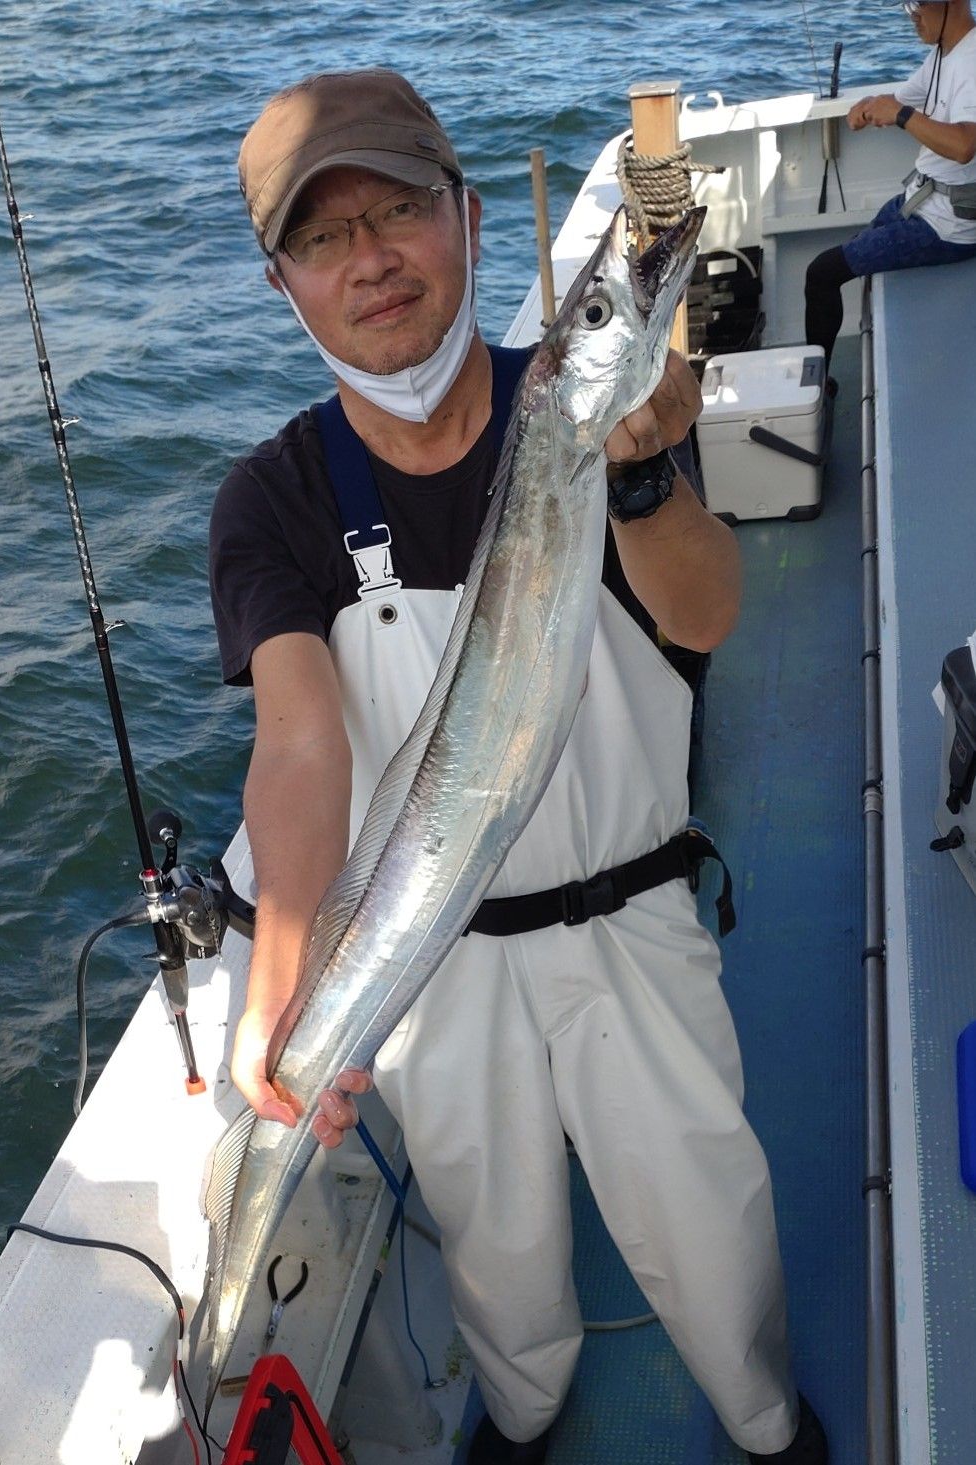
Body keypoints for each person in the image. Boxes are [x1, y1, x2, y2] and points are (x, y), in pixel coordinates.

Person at [209, 68, 828, 1465]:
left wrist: (646, 476)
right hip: (433, 959)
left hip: (631, 912)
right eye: (324, 236)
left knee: (704, 1207)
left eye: (399, 210)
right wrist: (280, 982)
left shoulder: (607, 417)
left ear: (468, 216)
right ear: (282, 282)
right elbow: (299, 741)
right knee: (492, 1236)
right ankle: (528, 1413)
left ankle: (764, 1419)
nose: (372, 258)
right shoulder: (273, 499)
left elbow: (704, 618)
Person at [806, 0, 976, 369]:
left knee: (821, 273)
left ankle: (818, 385)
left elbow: (965, 145)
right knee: (849, 254)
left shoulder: (973, 61)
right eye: (906, 3)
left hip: (949, 226)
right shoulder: (944, 54)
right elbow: (898, 100)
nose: (912, 14)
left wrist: (900, 115)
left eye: (919, 3)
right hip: (921, 200)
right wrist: (868, 107)